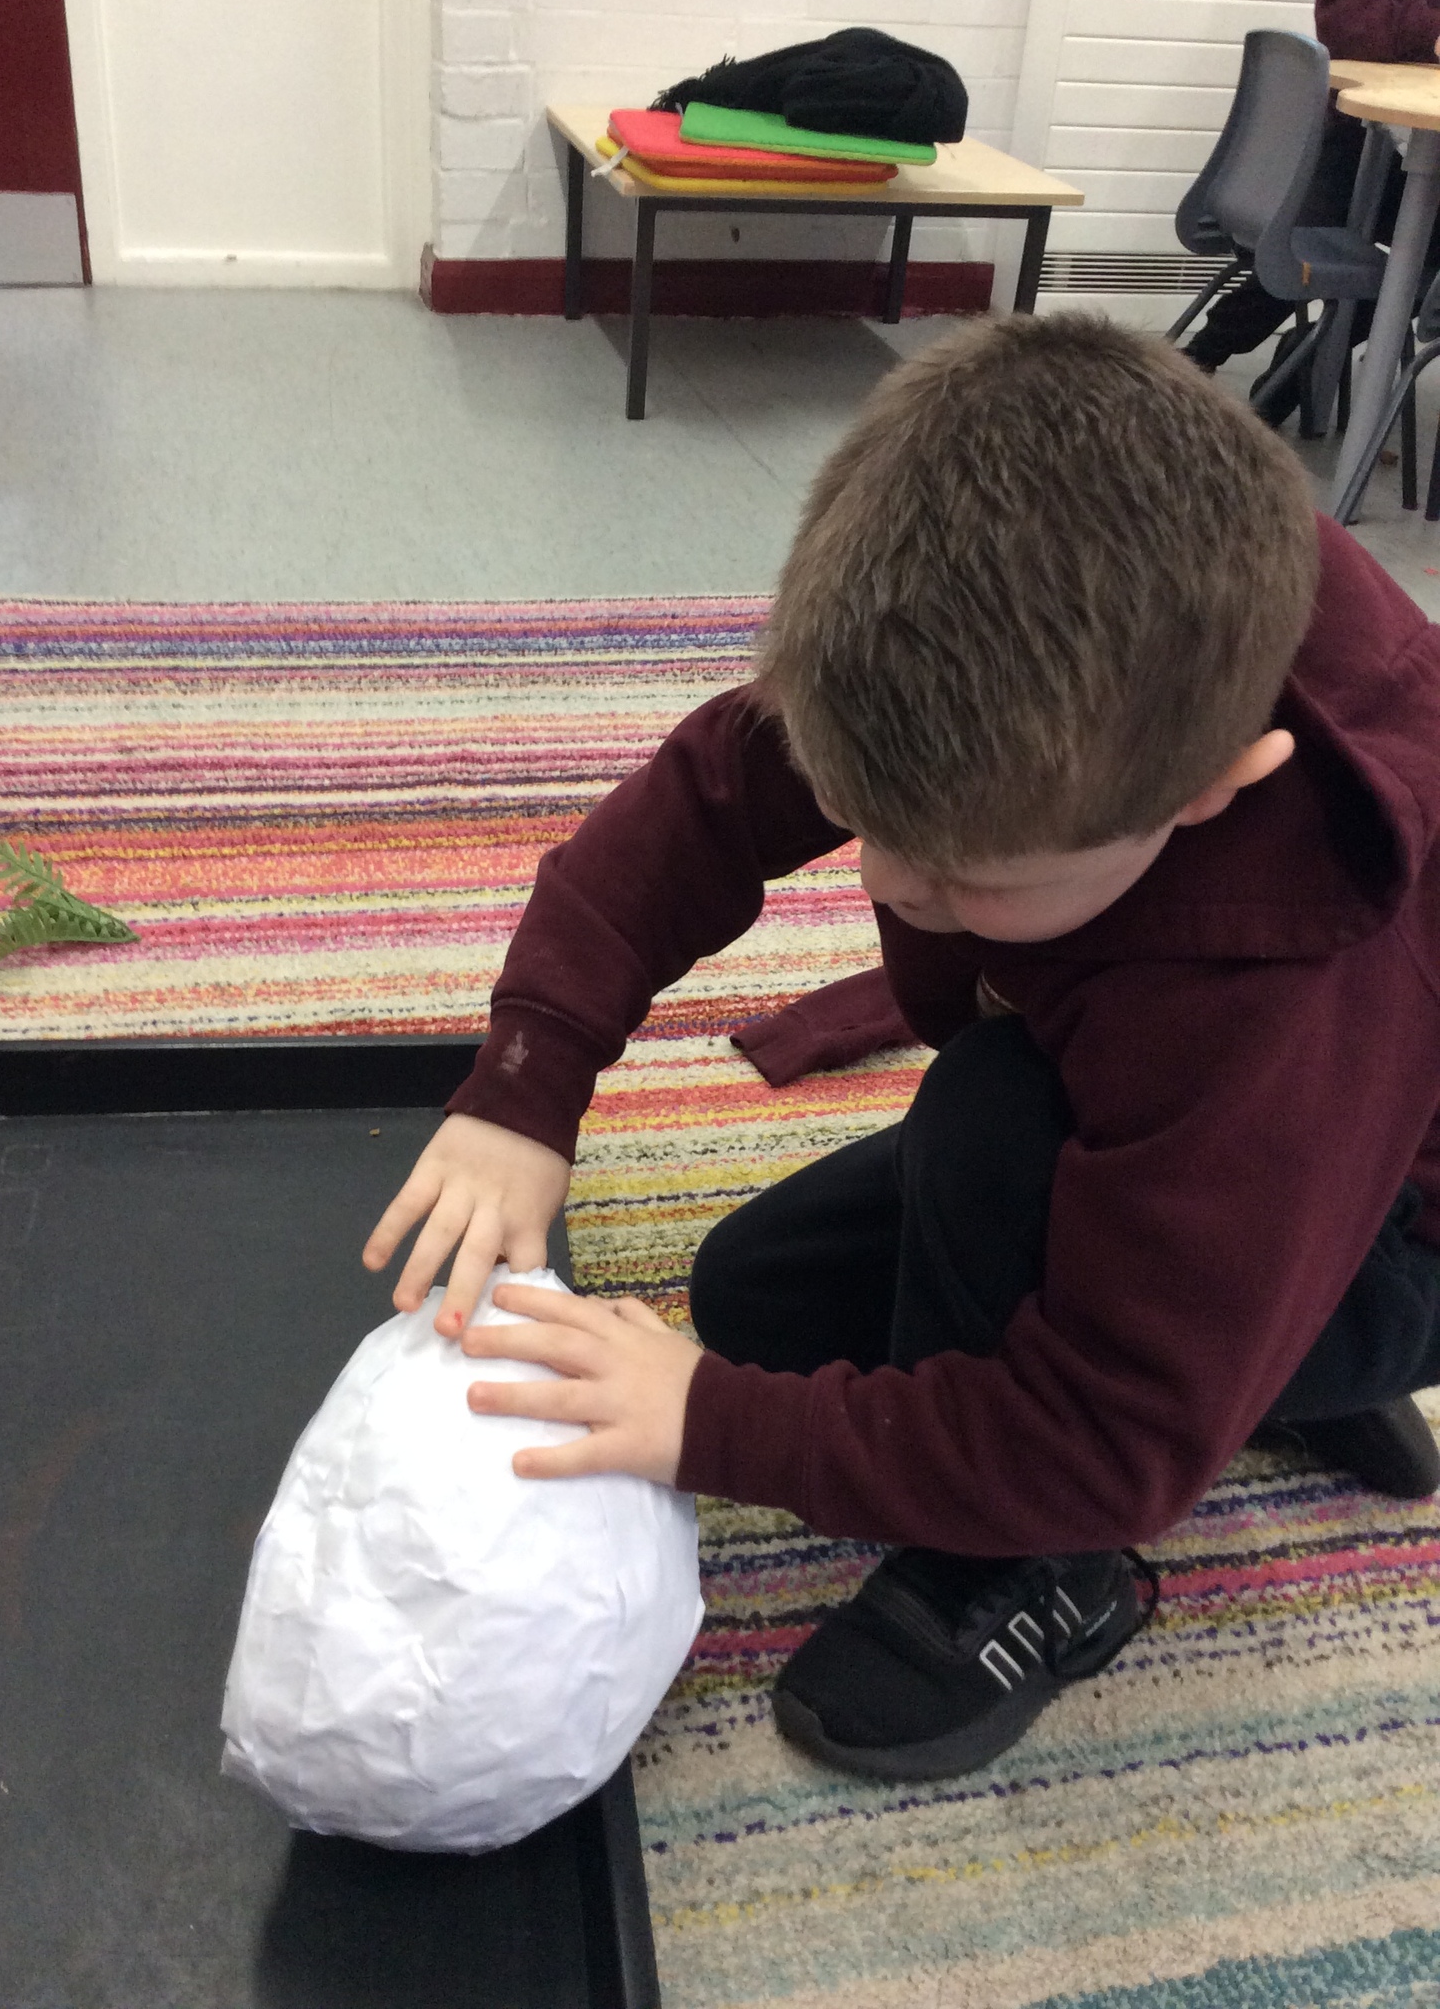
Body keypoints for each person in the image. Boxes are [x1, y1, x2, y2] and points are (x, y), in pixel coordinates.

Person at [363, 314, 1440, 1784]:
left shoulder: (1283, 993)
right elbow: (705, 801)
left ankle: (1046, 1561)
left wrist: (711, 1428)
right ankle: (1238, 1334)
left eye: (964, 874)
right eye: (865, 824)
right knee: (759, 1299)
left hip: (1390, 1240)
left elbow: (1100, 1439)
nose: (882, 883)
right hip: (1244, 1159)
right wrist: (525, 1085)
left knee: (987, 1124)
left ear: (1210, 793)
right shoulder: (1059, 635)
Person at [1184, 0, 1440, 412]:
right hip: (1362, 148)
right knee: (1315, 242)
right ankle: (1220, 352)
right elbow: (1344, 20)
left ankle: (1299, 358)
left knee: (1419, 271)